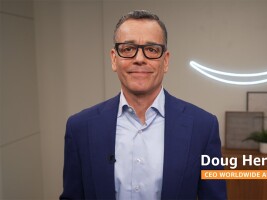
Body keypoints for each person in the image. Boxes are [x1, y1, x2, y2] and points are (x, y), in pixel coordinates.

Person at [60, 10, 227, 200]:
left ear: (165, 61)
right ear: (114, 59)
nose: (139, 59)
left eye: (152, 50)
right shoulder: (80, 128)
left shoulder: (203, 127)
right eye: (128, 49)